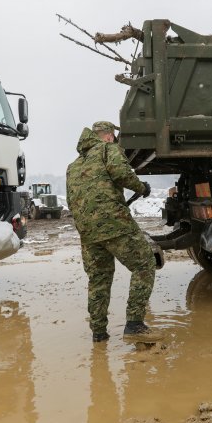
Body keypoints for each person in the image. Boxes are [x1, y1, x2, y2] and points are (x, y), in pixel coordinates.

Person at [66, 120, 163, 343]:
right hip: (114, 224)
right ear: (109, 136)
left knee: (99, 278)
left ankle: (99, 332)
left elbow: (72, 201)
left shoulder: (74, 165)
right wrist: (142, 187)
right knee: (144, 264)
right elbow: (121, 173)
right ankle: (135, 324)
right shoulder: (108, 149)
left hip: (87, 231)